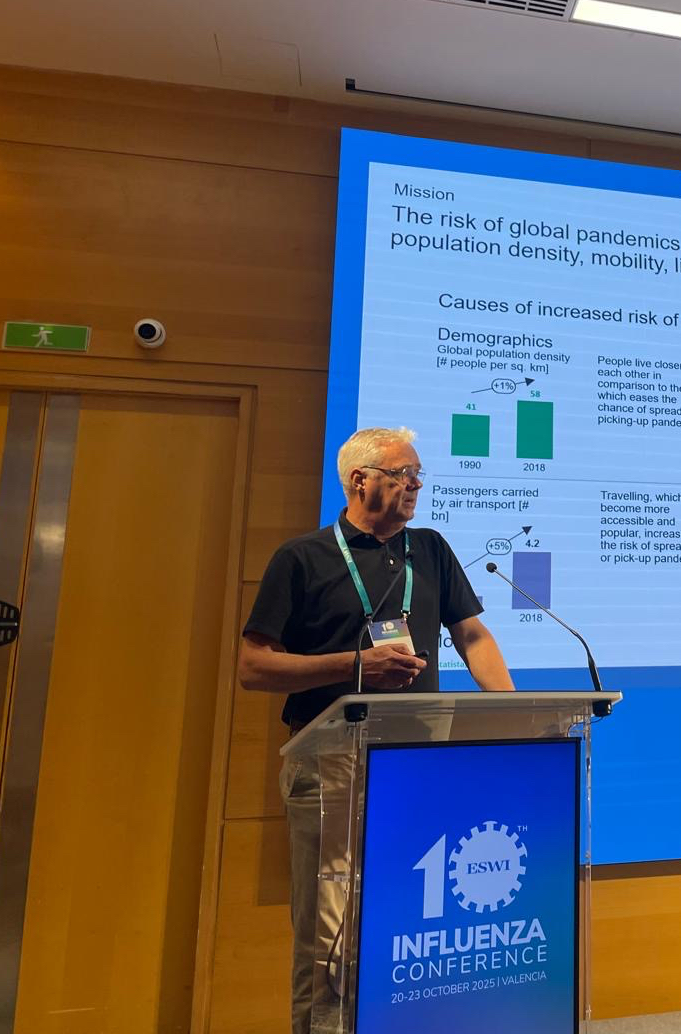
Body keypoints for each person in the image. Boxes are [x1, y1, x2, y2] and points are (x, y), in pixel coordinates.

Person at [239, 426, 514, 1034]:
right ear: (359, 480)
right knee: (331, 929)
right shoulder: (301, 558)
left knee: (412, 917)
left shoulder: (431, 549)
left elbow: (472, 637)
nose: (415, 485)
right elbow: (254, 667)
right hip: (331, 763)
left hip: (417, 760)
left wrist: (515, 712)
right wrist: (356, 666)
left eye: (418, 475)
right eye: (402, 474)